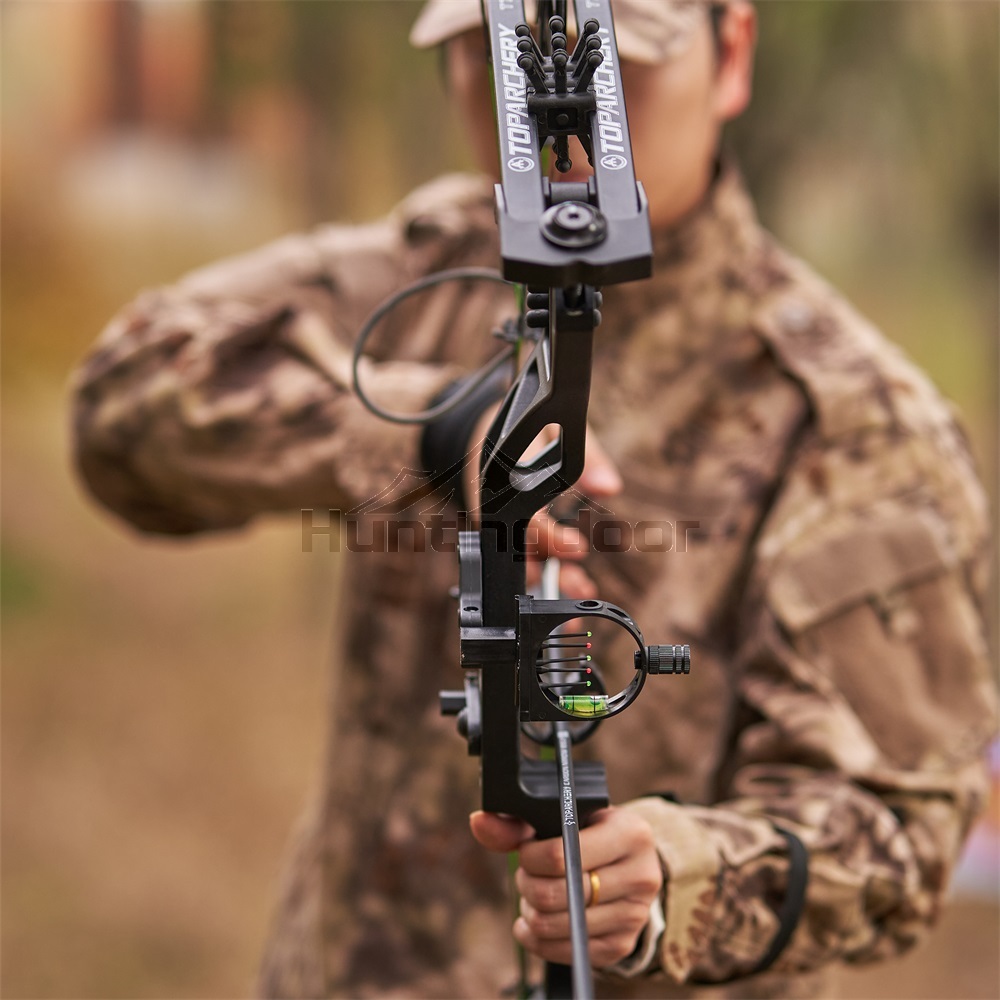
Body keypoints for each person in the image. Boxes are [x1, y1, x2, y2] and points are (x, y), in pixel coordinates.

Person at [71, 2, 996, 998]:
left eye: (617, 64)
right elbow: (120, 405)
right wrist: (428, 432)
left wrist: (678, 875)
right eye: (495, 59)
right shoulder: (430, 275)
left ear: (731, 53)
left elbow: (898, 825)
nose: (568, 119)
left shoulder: (852, 423)